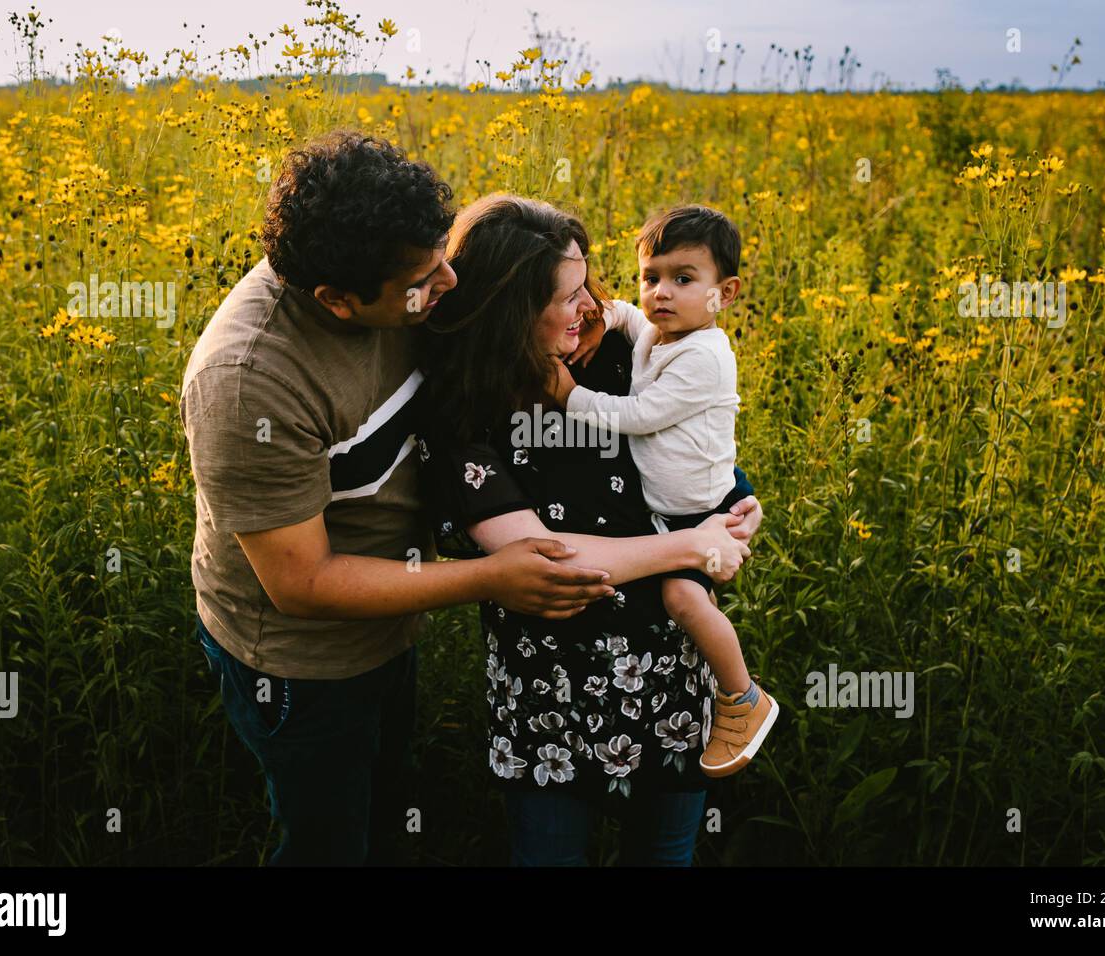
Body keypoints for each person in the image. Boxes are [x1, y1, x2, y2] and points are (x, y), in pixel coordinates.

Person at [181, 131, 620, 866]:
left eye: (444, 254)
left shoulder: (408, 282)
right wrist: (491, 578)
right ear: (337, 300)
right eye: (426, 275)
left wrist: (587, 315)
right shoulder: (248, 381)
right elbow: (302, 583)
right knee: (329, 843)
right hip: (301, 666)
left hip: (391, 621)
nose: (449, 282)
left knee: (386, 814)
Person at [416, 193, 766, 865]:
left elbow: (692, 453)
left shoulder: (611, 354)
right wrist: (694, 544)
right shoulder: (459, 415)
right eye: (571, 294)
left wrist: (741, 503)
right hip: (549, 697)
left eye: (590, 286)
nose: (593, 306)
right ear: (514, 308)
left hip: (669, 680)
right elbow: (544, 558)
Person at [549, 204, 777, 778]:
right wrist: (602, 313)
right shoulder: (663, 329)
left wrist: (568, 394)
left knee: (681, 600)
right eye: (651, 277)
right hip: (671, 510)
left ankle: (744, 699)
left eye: (683, 279)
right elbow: (630, 318)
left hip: (700, 511)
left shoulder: (705, 357)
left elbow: (642, 414)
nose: (661, 294)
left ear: (725, 292)